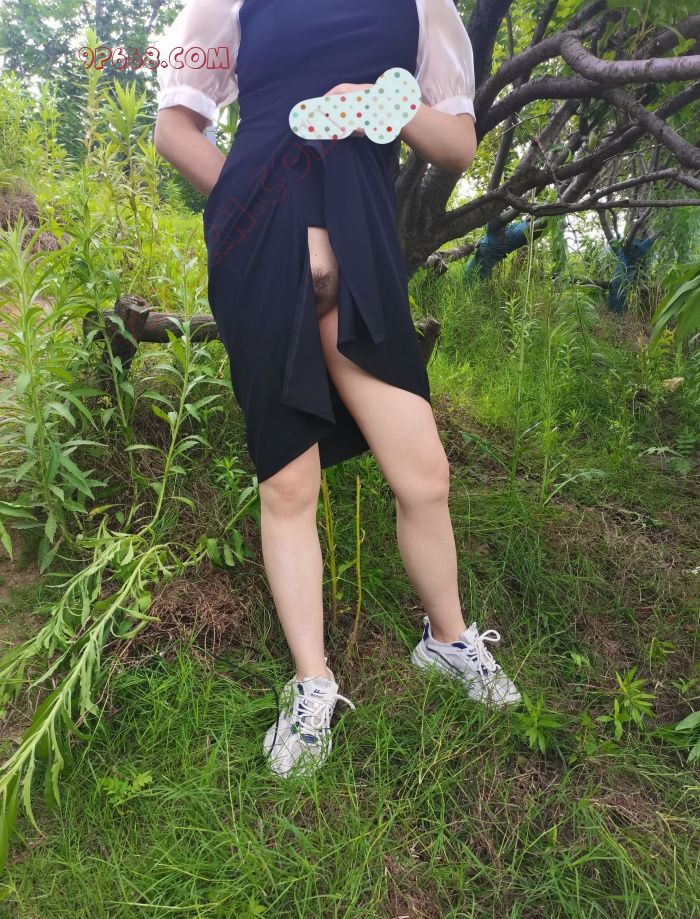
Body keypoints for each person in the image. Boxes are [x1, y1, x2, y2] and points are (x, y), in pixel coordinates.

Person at [153, 0, 521, 779]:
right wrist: (262, 214)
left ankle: (447, 640)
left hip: (365, 236)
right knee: (289, 482)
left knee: (424, 473)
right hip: (263, 240)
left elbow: (458, 144)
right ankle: (313, 681)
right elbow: (174, 130)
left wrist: (387, 104)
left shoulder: (422, 6)